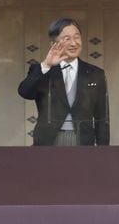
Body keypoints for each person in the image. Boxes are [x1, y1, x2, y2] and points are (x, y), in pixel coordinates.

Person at [18, 18, 109, 146]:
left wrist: (103, 150)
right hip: (48, 141)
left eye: (76, 37)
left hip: (83, 140)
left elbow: (102, 118)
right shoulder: (43, 70)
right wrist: (46, 65)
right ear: (54, 44)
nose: (73, 43)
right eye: (67, 39)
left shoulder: (96, 74)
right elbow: (25, 92)